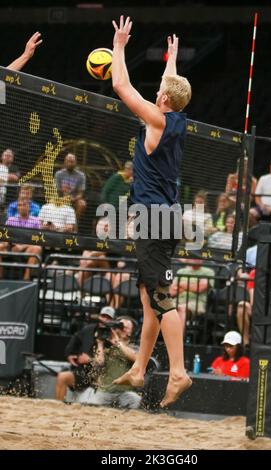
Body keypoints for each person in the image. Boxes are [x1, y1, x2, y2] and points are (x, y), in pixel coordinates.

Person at [111, 16, 192, 407]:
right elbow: (171, 89)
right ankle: (141, 370)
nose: (157, 92)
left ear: (163, 100)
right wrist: (171, 61)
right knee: (150, 302)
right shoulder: (177, 118)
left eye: (161, 90)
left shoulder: (156, 120)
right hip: (167, 217)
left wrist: (120, 45)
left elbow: (120, 85)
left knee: (162, 299)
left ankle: (178, 372)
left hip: (152, 218)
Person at [55, 309, 141, 409]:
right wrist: (100, 343)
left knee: (135, 399)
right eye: (121, 327)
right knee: (88, 406)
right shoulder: (108, 345)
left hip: (124, 392)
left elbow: (136, 358)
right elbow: (99, 362)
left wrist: (118, 342)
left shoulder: (134, 346)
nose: (122, 329)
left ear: (131, 332)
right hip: (105, 391)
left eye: (126, 328)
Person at [55, 153, 86, 219]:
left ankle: (73, 221)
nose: (70, 164)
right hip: (61, 198)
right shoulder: (58, 174)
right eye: (68, 161)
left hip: (75, 199)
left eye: (72, 162)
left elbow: (81, 193)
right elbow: (58, 190)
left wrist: (74, 198)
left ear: (75, 163)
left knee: (82, 204)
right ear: (65, 162)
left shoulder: (81, 175)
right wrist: (66, 197)